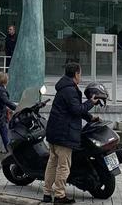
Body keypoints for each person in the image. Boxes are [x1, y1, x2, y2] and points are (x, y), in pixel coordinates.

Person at [43, 63, 99, 205]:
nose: (81, 76)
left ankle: (47, 193)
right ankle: (60, 196)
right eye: (80, 73)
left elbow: (74, 109)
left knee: (52, 163)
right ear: (75, 74)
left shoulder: (64, 88)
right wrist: (91, 103)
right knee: (63, 166)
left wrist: (90, 118)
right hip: (64, 134)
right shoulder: (70, 90)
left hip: (54, 132)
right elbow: (76, 109)